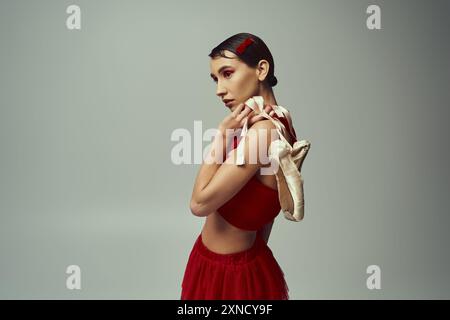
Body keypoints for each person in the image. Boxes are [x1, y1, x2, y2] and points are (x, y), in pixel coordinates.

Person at [180, 33, 297, 300]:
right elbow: (269, 213)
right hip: (244, 265)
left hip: (228, 276)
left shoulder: (263, 132)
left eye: (227, 73)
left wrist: (221, 136)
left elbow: (199, 204)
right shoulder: (282, 123)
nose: (219, 89)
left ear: (261, 69)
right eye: (215, 78)